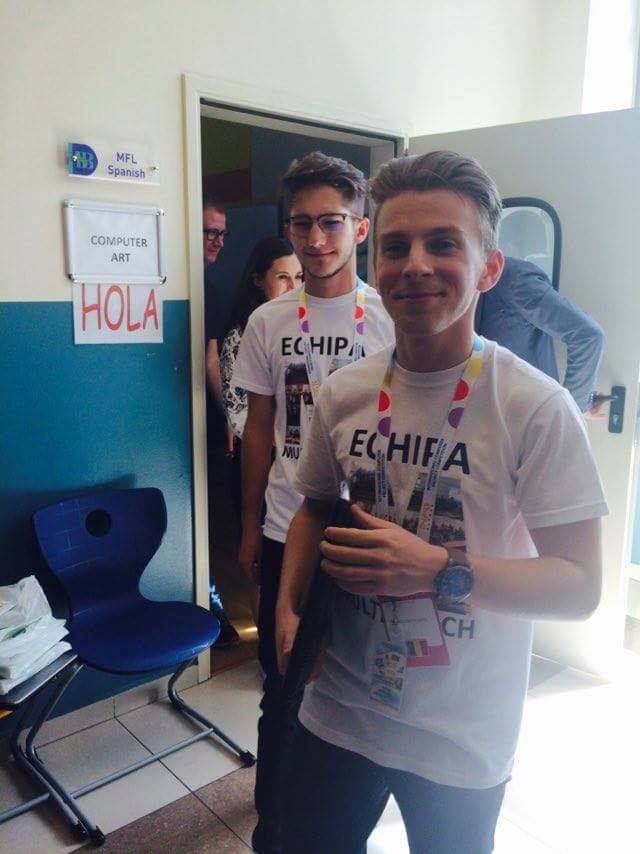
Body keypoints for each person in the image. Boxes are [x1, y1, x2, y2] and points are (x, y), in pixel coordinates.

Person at [275, 150, 607, 853]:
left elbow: (580, 587)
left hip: (462, 734)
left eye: (444, 244)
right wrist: (288, 605)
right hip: (340, 709)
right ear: (376, 267)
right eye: (396, 247)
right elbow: (312, 508)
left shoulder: (535, 407)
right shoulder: (345, 392)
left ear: (489, 268)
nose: (416, 264)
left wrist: (435, 569)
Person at [232, 151, 395, 853]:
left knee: (360, 680)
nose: (316, 238)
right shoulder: (269, 320)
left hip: (365, 527)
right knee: (283, 681)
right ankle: (274, 822)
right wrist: (248, 526)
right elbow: (259, 429)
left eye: (332, 222)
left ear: (360, 227)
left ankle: (337, 814)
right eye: (302, 223)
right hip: (283, 524)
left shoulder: (390, 315)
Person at [475, 255, 605, 413]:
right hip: (481, 413)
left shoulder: (513, 280)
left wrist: (573, 410)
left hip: (529, 415)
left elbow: (586, 336)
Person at [202, 194, 240, 648]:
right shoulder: (197, 288)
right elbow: (209, 361)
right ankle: (212, 608)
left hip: (207, 420)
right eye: (209, 232)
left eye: (222, 234)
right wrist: (230, 413)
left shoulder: (208, 289)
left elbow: (213, 358)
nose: (218, 241)